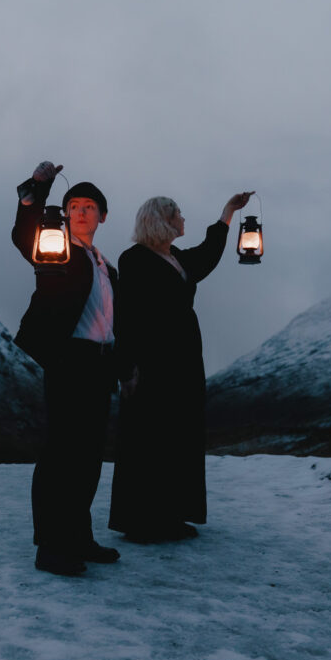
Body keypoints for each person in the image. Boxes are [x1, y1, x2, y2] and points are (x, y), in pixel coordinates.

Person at [109, 191, 254, 543]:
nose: (184, 219)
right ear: (163, 219)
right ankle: (142, 521)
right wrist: (126, 367)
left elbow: (207, 254)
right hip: (153, 361)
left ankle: (171, 515)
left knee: (179, 435)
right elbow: (125, 316)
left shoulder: (176, 258)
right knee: (150, 437)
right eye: (179, 214)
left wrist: (228, 213)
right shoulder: (134, 259)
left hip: (184, 359)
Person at [12, 160, 121, 575]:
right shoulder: (51, 249)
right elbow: (22, 233)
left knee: (89, 456)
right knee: (61, 455)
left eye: (89, 206)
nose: (79, 212)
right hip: (67, 360)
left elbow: (115, 322)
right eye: (73, 205)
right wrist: (38, 188)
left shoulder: (107, 266)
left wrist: (125, 367)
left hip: (100, 365)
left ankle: (79, 537)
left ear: (102, 216)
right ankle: (51, 547)